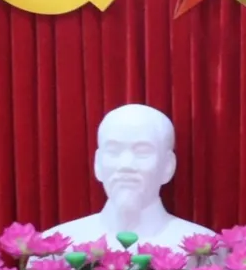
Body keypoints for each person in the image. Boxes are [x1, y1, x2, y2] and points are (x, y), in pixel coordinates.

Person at [47, 103, 213, 249]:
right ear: (97, 163)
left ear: (168, 166)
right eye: (113, 151)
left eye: (142, 151)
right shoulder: (56, 247)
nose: (125, 165)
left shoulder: (205, 249)